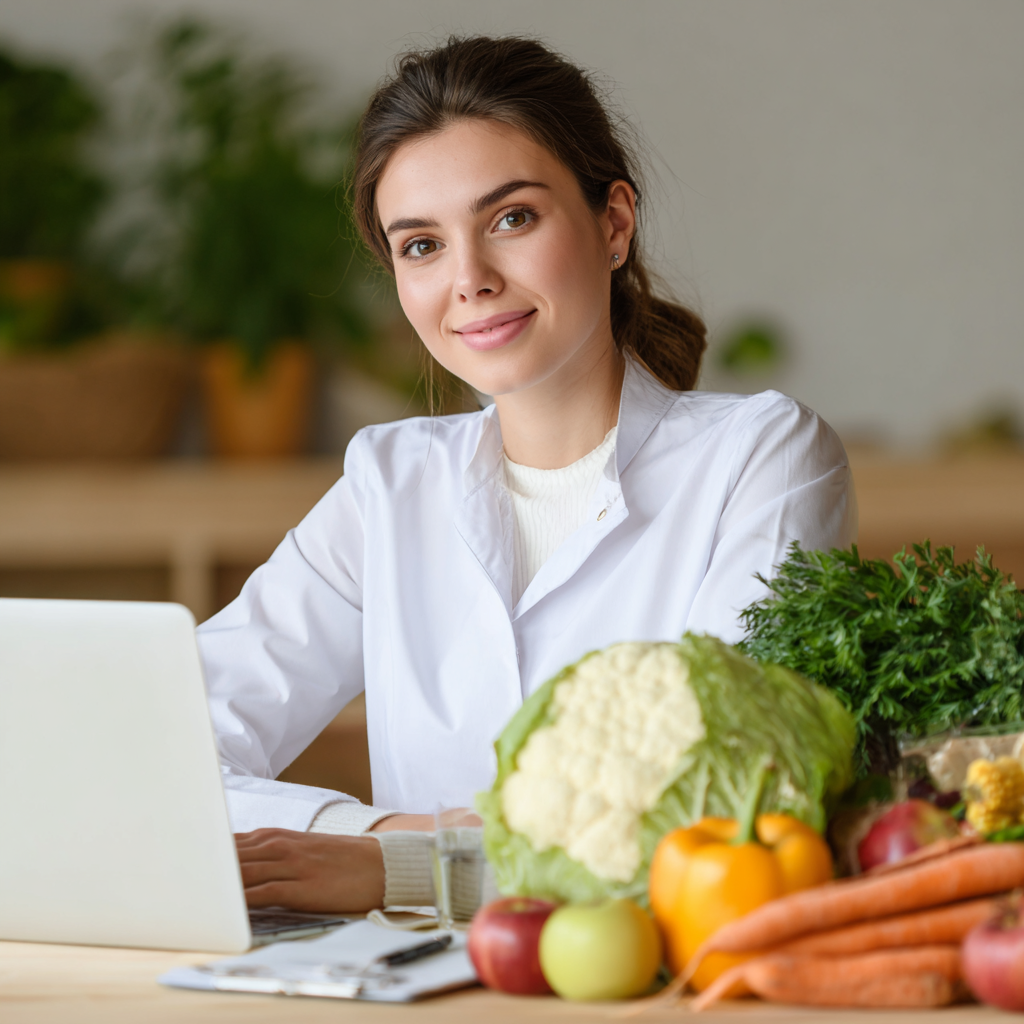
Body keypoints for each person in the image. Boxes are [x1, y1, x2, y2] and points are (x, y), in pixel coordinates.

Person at [197, 36, 856, 914]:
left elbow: (725, 811)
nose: (468, 280)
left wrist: (403, 869)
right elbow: (163, 753)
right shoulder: (386, 484)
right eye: (422, 245)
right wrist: (399, 844)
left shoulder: (764, 459)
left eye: (511, 219)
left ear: (613, 223)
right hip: (410, 989)